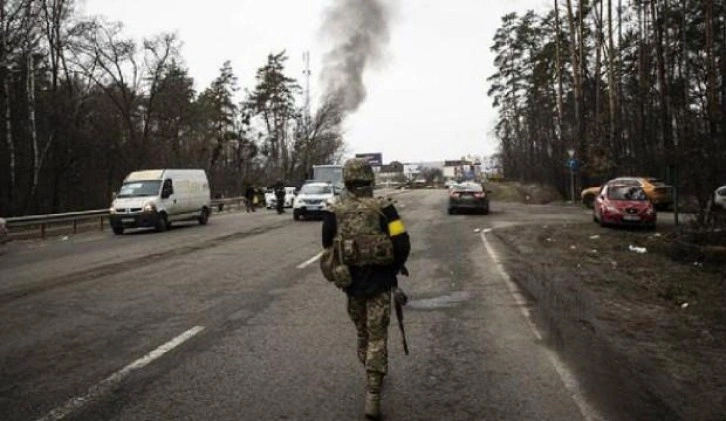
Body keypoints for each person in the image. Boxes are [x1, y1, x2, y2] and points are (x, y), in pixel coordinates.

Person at [321, 158, 411, 420]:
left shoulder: (334, 209)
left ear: (346, 180)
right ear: (370, 179)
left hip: (352, 285)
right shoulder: (385, 209)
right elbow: (402, 242)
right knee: (378, 336)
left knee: (363, 334)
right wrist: (394, 267)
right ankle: (373, 392)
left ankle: (371, 373)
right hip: (381, 283)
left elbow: (327, 242)